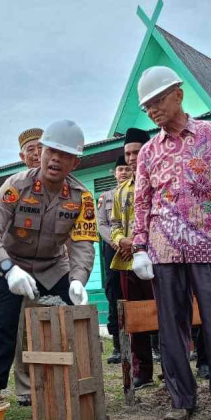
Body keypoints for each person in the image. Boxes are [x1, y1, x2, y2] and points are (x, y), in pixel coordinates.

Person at [131, 66, 211, 420]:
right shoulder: (148, 152)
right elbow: (141, 201)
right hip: (164, 249)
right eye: (147, 107)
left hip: (210, 243)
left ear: (178, 95)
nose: (152, 111)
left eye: (157, 102)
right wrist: (139, 246)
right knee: (170, 327)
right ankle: (181, 398)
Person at [0, 120, 97, 400]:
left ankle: (68, 390)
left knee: (68, 326)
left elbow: (83, 244)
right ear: (40, 152)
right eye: (51, 151)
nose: (56, 159)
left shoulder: (82, 198)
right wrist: (8, 269)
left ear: (75, 163)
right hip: (8, 265)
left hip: (52, 268)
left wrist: (78, 279)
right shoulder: (16, 186)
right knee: (1, 331)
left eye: (65, 155)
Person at [110, 129, 157, 387]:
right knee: (135, 318)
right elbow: (115, 223)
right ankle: (142, 371)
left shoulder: (160, 181)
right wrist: (121, 240)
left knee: (165, 314)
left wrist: (140, 243)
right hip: (127, 262)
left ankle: (174, 365)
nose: (131, 158)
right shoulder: (120, 192)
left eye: (136, 152)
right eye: (128, 153)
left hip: (158, 260)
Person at [11, 127, 43, 406]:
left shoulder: (65, 183)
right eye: (31, 149)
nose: (37, 154)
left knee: (53, 325)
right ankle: (24, 388)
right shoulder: (14, 186)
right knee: (24, 329)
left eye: (41, 148)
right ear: (22, 156)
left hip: (55, 267)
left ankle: (52, 380)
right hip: (22, 268)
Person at [97, 155, 131, 365]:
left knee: (143, 294)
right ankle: (119, 346)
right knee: (114, 294)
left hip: (137, 247)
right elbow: (101, 223)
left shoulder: (140, 190)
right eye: (120, 169)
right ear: (115, 173)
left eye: (127, 169)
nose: (124, 172)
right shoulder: (106, 196)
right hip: (113, 248)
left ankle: (153, 346)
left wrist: (132, 242)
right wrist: (116, 241)